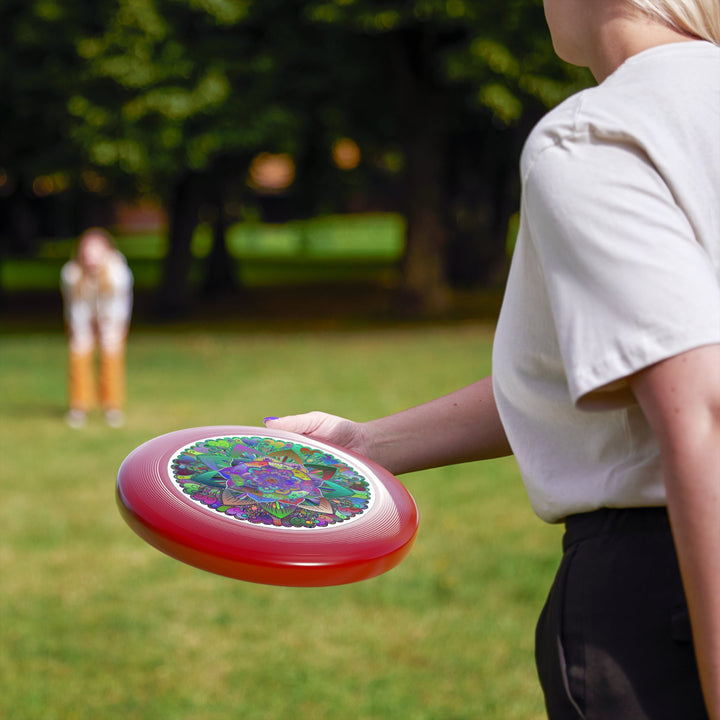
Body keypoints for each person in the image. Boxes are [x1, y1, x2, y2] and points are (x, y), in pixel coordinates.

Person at [264, 1, 720, 717]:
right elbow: (609, 370)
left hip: (669, 596)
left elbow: (702, 409)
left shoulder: (600, 135)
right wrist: (367, 444)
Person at [60, 227, 133, 428]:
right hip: (82, 319)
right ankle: (79, 406)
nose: (91, 257)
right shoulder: (71, 273)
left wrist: (106, 327)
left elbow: (118, 306)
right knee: (79, 354)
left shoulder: (118, 273)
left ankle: (112, 406)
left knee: (111, 357)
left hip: (112, 319)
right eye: (87, 251)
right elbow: (76, 306)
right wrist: (84, 329)